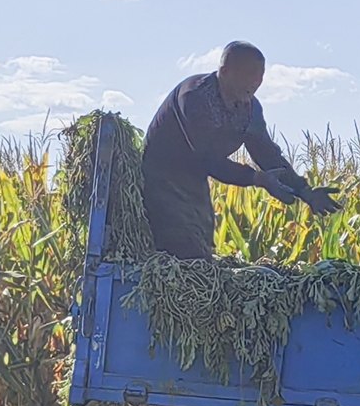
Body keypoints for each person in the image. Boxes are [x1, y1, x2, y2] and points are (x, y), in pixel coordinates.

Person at [142, 41, 342, 258]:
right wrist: (256, 178)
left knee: (202, 246)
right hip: (159, 178)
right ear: (225, 72)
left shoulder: (250, 108)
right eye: (249, 74)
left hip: (194, 183)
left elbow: (267, 154)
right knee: (182, 249)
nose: (256, 82)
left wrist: (305, 191)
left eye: (260, 75)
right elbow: (207, 159)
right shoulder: (194, 96)